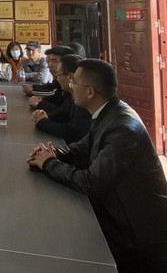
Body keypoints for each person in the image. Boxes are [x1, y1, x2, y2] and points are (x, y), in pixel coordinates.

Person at [27, 59, 167, 272]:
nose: (71, 87)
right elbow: (82, 148)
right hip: (119, 214)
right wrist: (54, 152)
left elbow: (91, 182)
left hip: (138, 232)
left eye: (75, 83)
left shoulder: (122, 127)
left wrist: (49, 164)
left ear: (90, 91)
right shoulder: (108, 112)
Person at [30, 54, 91, 144]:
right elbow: (63, 113)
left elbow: (71, 132)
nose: (57, 78)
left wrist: (42, 121)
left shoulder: (83, 99)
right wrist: (43, 115)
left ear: (71, 77)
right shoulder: (72, 96)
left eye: (58, 75)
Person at [26, 45, 74, 110]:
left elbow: (64, 111)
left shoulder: (70, 83)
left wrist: (39, 102)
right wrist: (41, 98)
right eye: (48, 61)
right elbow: (55, 96)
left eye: (54, 61)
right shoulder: (58, 79)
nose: (49, 65)